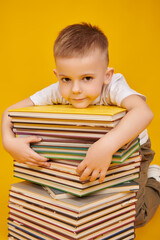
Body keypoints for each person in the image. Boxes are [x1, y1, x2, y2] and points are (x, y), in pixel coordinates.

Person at [1, 23, 160, 227]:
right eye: (66, 78)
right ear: (57, 75)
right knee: (85, 204)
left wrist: (107, 146)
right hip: (87, 150)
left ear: (106, 75)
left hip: (131, 150)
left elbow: (143, 112)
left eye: (87, 78)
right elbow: (9, 112)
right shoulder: (59, 90)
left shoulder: (114, 86)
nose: (75, 89)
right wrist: (8, 142)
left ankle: (155, 179)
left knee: (133, 214)